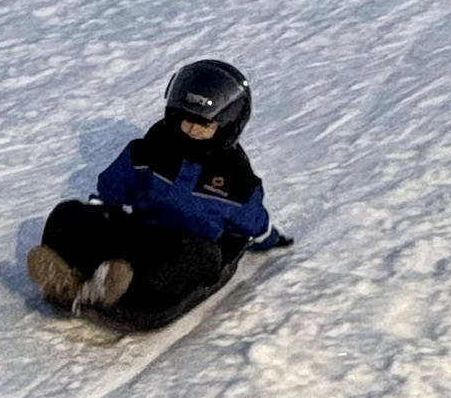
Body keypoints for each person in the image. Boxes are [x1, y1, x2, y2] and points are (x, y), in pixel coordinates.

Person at [28, 56, 285, 330]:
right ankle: (72, 280)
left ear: (225, 128)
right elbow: (113, 188)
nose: (192, 129)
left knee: (202, 256)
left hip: (183, 250)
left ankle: (108, 289)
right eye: (187, 120)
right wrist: (95, 221)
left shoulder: (235, 180)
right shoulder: (150, 151)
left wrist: (272, 240)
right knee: (67, 213)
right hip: (141, 237)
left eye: (204, 125)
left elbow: (255, 223)